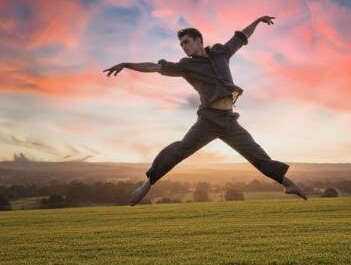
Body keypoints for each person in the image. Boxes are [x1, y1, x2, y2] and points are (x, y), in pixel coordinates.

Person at [103, 15, 309, 205]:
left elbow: (240, 37)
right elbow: (156, 67)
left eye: (186, 42)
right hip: (208, 121)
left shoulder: (221, 52)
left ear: (199, 40)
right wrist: (126, 64)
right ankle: (146, 185)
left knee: (256, 155)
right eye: (181, 44)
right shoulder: (186, 66)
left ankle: (288, 183)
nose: (183, 47)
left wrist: (257, 21)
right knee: (180, 150)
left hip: (229, 121)